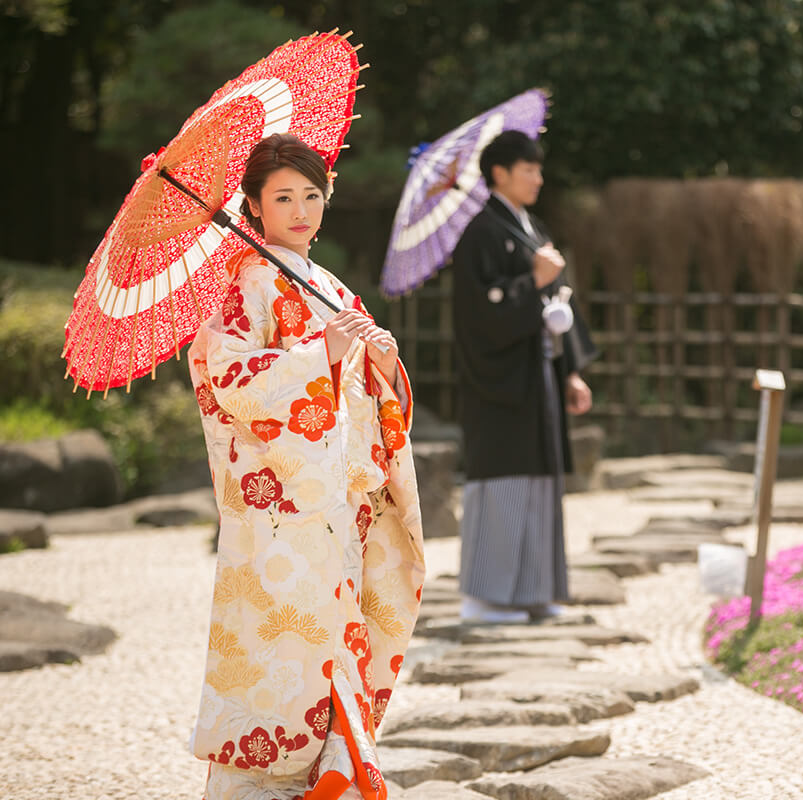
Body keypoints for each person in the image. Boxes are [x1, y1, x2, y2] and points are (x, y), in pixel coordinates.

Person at [187, 133, 424, 799]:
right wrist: (316, 357)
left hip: (340, 505)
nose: (299, 209)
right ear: (254, 208)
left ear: (327, 199)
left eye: (310, 195)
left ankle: (337, 775)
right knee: (284, 652)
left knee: (335, 644)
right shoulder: (250, 283)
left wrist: (380, 367)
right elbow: (225, 373)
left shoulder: (326, 285)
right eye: (282, 197)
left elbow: (366, 396)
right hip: (282, 511)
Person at [451, 130, 598, 624]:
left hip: (539, 375)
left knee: (540, 480)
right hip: (500, 383)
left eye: (538, 168)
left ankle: (534, 592)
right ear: (500, 173)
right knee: (504, 481)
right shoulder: (481, 232)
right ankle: (485, 598)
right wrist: (531, 281)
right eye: (529, 168)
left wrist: (571, 369)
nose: (538, 177)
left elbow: (557, 305)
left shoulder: (528, 227)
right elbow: (479, 314)